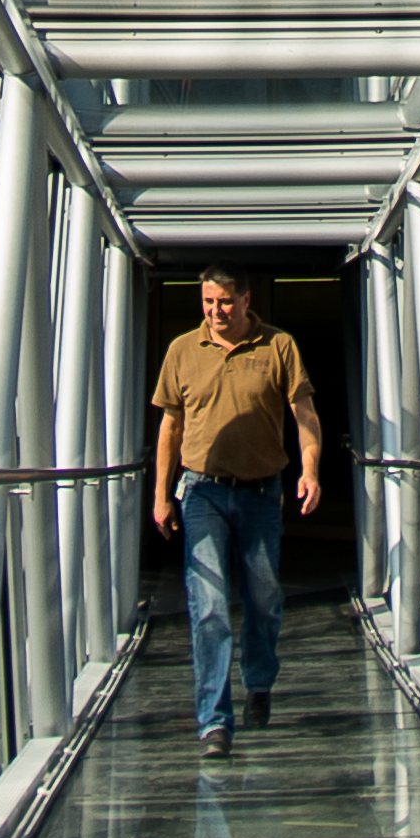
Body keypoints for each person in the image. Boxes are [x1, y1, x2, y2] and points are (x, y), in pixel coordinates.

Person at [145, 264, 320, 757]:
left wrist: (310, 471)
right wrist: (161, 495)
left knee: (263, 596)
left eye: (224, 302)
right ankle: (214, 722)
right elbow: (170, 428)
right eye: (208, 302)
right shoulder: (183, 350)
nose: (216, 312)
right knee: (209, 605)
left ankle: (259, 683)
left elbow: (304, 414)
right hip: (202, 490)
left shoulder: (278, 346)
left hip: (261, 492)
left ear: (245, 300)